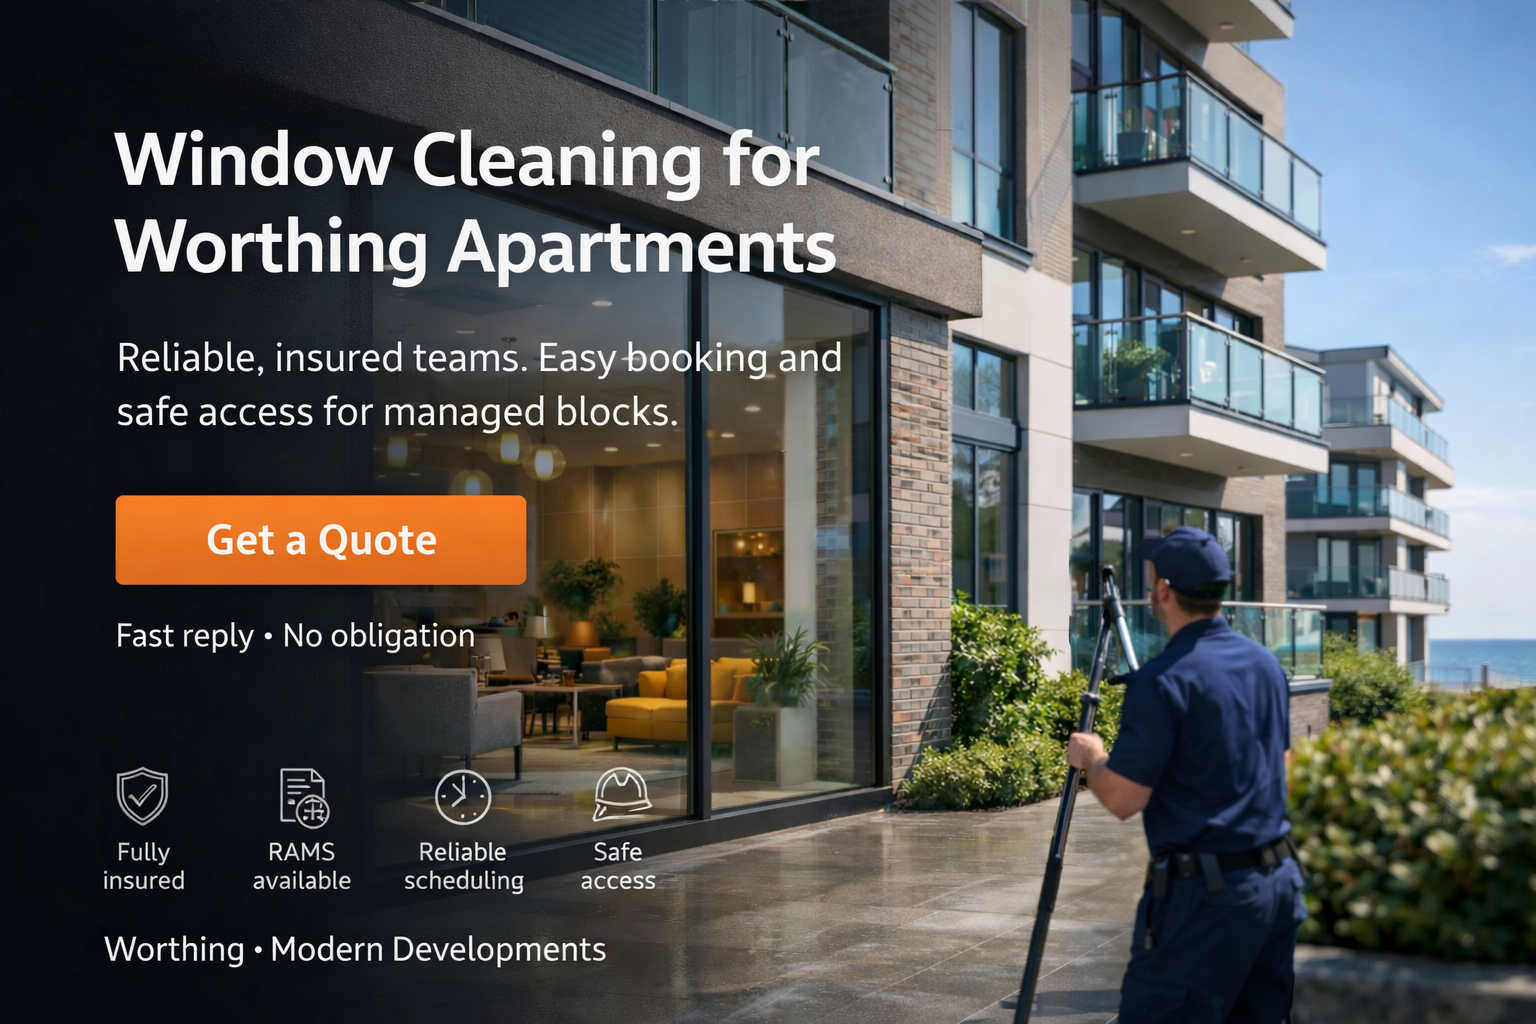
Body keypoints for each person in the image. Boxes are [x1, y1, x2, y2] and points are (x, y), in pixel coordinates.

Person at [1067, 526, 1306, 1024]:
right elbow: (1282, 769)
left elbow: (1124, 799)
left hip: (1206, 901)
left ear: (1162, 591)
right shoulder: (1265, 665)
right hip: (1277, 887)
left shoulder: (1162, 679)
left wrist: (1092, 757)